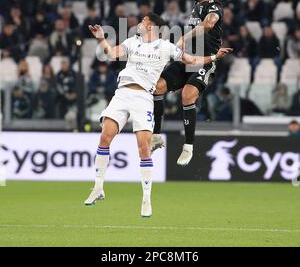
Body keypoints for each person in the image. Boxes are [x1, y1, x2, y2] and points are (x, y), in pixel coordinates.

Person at [84, 13, 231, 217]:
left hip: (143, 97)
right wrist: (101, 37)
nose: (139, 23)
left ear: (151, 26)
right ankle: (98, 188)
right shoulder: (131, 42)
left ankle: (146, 200)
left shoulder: (165, 47)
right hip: (122, 93)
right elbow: (111, 54)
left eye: (143, 21)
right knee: (104, 137)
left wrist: (214, 57)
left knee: (144, 148)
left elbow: (191, 59)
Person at [152, 0, 224, 167]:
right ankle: (157, 136)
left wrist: (184, 37)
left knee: (187, 94)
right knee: (157, 87)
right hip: (186, 60)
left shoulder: (214, 7)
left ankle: (188, 146)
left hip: (204, 62)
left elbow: (209, 24)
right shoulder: (196, 8)